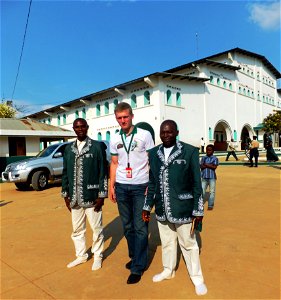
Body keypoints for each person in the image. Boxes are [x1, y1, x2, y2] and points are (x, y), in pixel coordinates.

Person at [142, 120, 207, 296]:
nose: (166, 135)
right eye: (163, 132)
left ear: (176, 132)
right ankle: (168, 270)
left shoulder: (190, 151)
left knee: (188, 244)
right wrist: (147, 207)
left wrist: (198, 211)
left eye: (169, 132)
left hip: (183, 208)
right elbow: (153, 182)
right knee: (168, 243)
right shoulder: (154, 153)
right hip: (162, 209)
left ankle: (197, 277)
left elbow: (196, 184)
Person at [110, 102, 154, 284]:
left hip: (140, 187)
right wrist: (111, 186)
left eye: (125, 117)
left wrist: (150, 186)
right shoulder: (114, 138)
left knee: (140, 227)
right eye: (119, 118)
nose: (123, 121)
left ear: (131, 116)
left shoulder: (145, 135)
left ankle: (138, 267)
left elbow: (152, 161)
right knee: (127, 226)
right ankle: (135, 257)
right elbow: (114, 163)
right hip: (121, 186)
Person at [61, 118, 108, 270]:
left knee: (97, 228)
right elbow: (65, 173)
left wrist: (102, 195)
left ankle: (98, 255)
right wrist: (66, 195)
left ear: (87, 127)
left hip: (92, 196)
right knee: (77, 229)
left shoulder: (96, 146)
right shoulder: (68, 148)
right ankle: (81, 255)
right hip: (74, 197)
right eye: (77, 127)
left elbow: (103, 171)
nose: (80, 129)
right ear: (73, 129)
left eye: (82, 126)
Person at [200, 144, 219, 210]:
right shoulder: (203, 158)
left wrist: (206, 164)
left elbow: (214, 167)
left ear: (213, 151)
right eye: (207, 150)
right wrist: (209, 165)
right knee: (202, 191)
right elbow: (201, 166)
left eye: (210, 150)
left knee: (212, 192)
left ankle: (210, 205)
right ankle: (200, 205)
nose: (208, 151)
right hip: (204, 177)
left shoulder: (215, 158)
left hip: (212, 177)